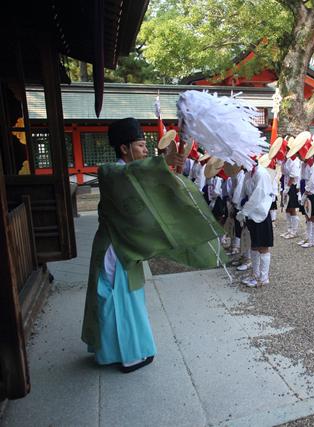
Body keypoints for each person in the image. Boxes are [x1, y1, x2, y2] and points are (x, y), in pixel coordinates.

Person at [81, 118, 229, 373]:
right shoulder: (111, 172)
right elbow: (130, 176)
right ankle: (130, 356)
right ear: (124, 148)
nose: (146, 150)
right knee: (121, 300)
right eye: (141, 145)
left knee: (119, 298)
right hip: (115, 249)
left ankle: (110, 352)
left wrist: (168, 170)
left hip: (121, 246)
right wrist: (162, 163)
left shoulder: (133, 174)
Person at [237, 156, 274, 287]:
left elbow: (257, 195)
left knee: (263, 245)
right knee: (253, 244)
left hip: (260, 213)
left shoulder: (261, 173)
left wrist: (244, 212)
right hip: (250, 213)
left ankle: (264, 276)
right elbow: (243, 193)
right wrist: (240, 208)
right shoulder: (248, 173)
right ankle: (255, 273)